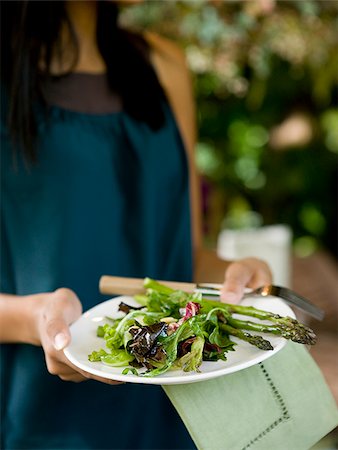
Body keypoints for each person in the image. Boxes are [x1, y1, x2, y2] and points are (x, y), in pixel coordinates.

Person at [0, 1, 272, 449]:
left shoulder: (165, 66)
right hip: (38, 418)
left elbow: (184, 256)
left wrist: (235, 277)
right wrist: (33, 319)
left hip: (170, 412)